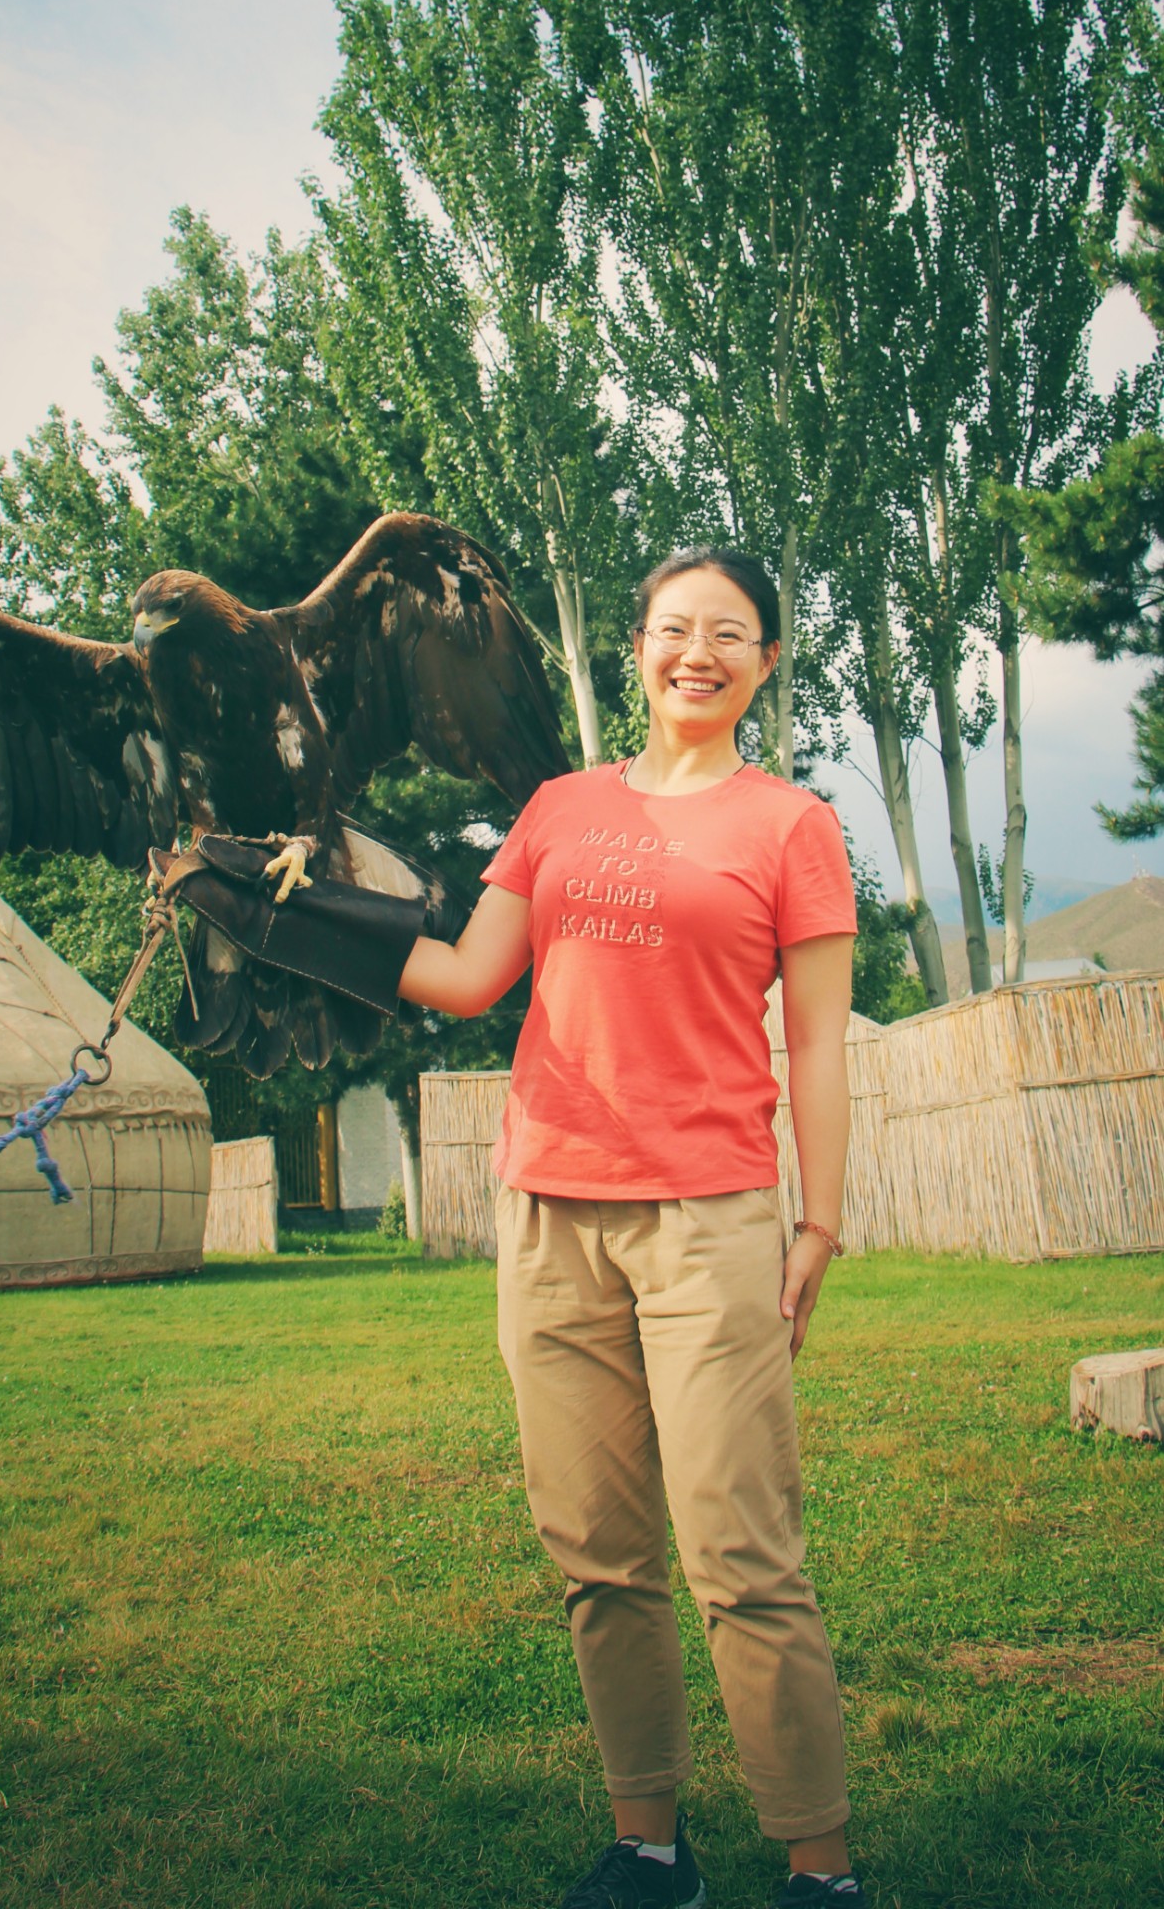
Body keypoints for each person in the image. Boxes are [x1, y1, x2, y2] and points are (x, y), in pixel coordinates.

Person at [397, 546, 865, 1909]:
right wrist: (281, 904)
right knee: (597, 1557)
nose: (696, 653)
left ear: (765, 663)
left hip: (707, 1219)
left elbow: (820, 1050)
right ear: (638, 649)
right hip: (547, 1215)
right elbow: (468, 977)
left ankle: (816, 1869)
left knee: (738, 1552)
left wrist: (815, 1220)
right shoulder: (555, 809)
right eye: (673, 629)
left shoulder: (790, 826)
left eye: (728, 634)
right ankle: (647, 1847)